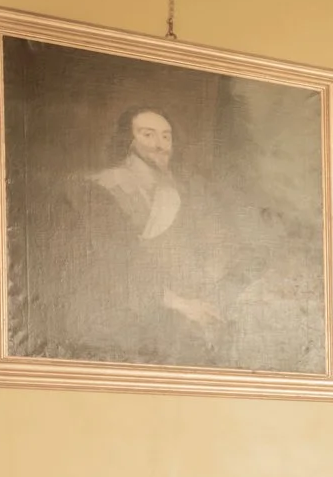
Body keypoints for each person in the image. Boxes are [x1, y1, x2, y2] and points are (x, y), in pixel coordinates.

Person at [42, 106, 235, 365]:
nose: (160, 145)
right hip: (107, 315)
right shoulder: (99, 189)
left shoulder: (173, 194)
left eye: (166, 137)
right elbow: (114, 267)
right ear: (127, 141)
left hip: (160, 311)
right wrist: (181, 304)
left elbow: (186, 259)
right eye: (148, 135)